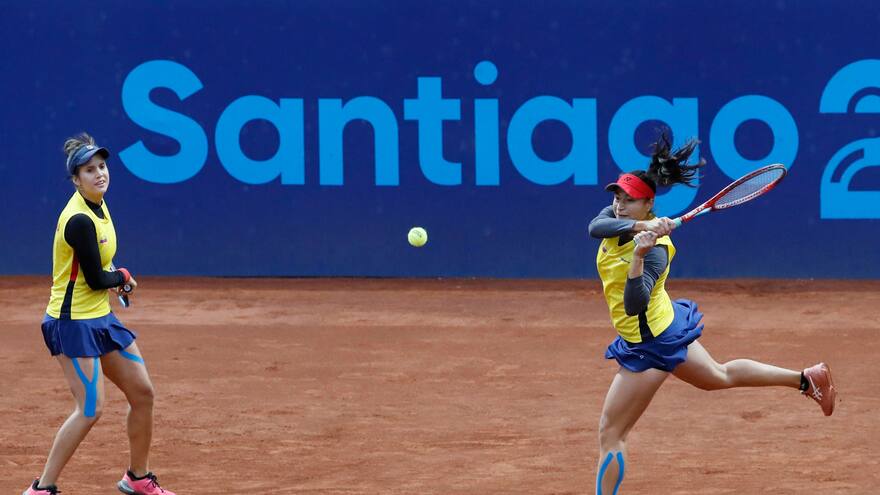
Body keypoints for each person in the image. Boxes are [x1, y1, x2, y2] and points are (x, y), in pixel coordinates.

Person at [587, 132, 836, 495]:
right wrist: (640, 226)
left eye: (630, 201)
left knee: (611, 434)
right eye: (617, 198)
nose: (620, 206)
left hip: (651, 343)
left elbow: (634, 304)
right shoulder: (617, 218)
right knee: (718, 376)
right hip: (663, 323)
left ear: (649, 204)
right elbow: (595, 227)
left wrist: (639, 255)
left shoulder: (657, 252)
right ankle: (807, 379)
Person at [23, 133, 175, 495]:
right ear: (76, 179)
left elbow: (97, 266)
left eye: (102, 166)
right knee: (90, 408)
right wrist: (122, 277)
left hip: (100, 318)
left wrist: (115, 277)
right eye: (89, 170)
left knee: (143, 393)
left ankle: (137, 478)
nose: (99, 174)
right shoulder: (79, 219)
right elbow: (95, 279)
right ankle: (42, 488)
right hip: (72, 323)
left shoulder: (99, 205)